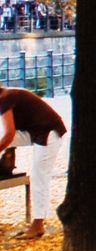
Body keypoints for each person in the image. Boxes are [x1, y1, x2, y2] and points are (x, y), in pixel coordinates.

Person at [0, 85, 67, 239]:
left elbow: (9, 133)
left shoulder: (5, 100)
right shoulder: (8, 94)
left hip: (49, 133)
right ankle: (6, 162)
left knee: (39, 177)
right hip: (35, 132)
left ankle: (37, 225)